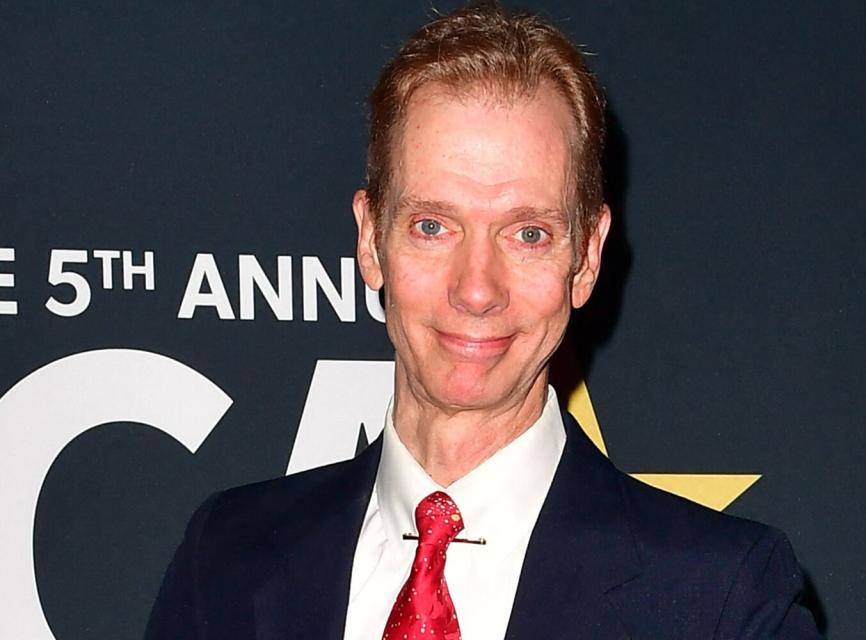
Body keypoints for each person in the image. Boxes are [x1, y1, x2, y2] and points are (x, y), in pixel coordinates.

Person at [145, 2, 823, 638]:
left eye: (527, 233)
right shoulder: (226, 563)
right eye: (433, 226)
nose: (476, 289)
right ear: (369, 238)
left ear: (586, 257)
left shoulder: (720, 601)